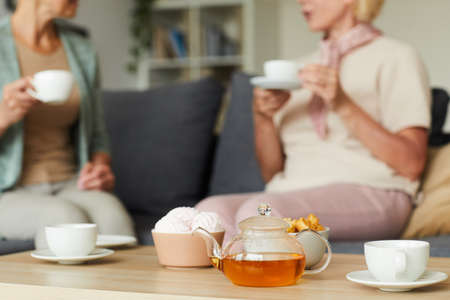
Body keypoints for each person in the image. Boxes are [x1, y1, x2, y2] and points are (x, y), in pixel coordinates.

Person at [196, 0, 431, 243]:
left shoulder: (396, 56)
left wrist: (342, 103)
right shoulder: (297, 70)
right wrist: (263, 117)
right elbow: (272, 174)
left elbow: (411, 164)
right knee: (208, 213)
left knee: (260, 212)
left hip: (375, 190)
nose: (302, 1)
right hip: (288, 193)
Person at [0, 0, 135, 249]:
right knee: (64, 219)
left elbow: (97, 133)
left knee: (113, 216)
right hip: (8, 192)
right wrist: (2, 116)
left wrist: (99, 168)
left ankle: (127, 289)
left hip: (70, 182)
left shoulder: (81, 50)